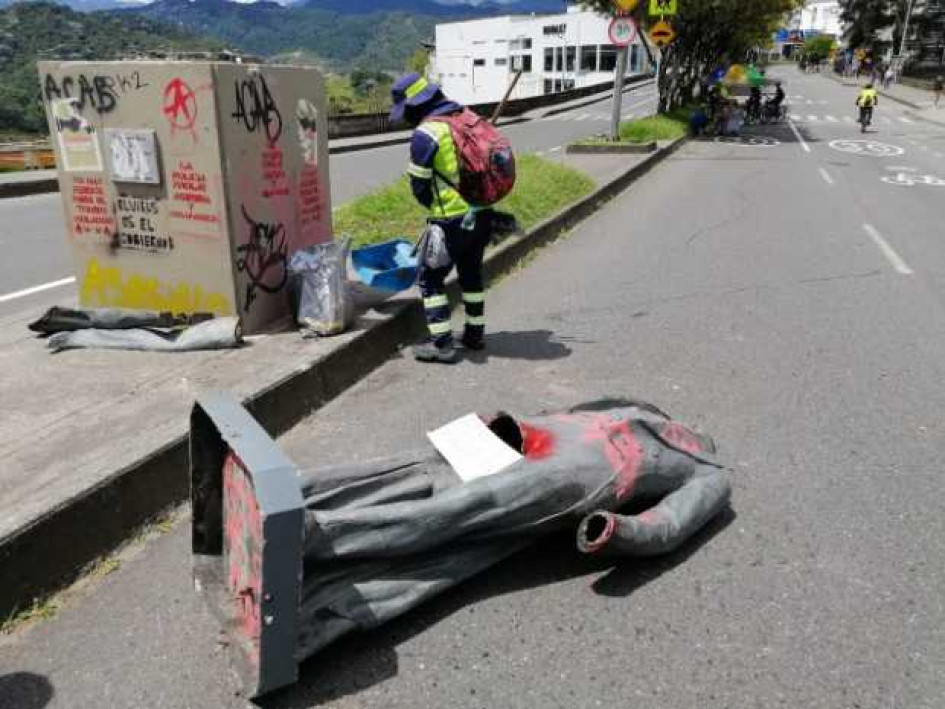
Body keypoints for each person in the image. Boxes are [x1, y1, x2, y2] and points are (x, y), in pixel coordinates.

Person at [389, 73, 492, 363]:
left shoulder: (428, 133)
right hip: (483, 210)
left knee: (430, 278)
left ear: (414, 105)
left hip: (451, 220)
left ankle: (442, 344)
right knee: (471, 274)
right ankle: (475, 335)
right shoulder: (465, 116)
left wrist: (437, 207)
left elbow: (419, 186)